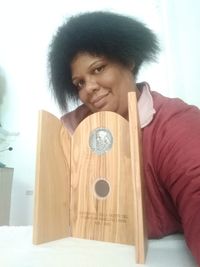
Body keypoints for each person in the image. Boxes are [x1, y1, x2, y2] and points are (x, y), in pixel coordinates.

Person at [48, 11, 200, 265]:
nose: (89, 88)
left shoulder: (176, 125)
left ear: (128, 60)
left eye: (98, 68)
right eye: (79, 83)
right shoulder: (70, 133)